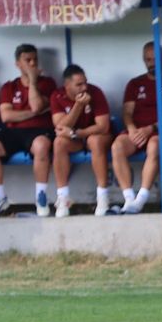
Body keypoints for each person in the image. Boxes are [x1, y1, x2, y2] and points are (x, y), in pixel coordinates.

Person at [0, 43, 57, 218]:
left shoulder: (47, 83)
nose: (32, 64)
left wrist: (32, 81)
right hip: (13, 132)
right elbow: (7, 116)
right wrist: (33, 112)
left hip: (40, 129)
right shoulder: (9, 86)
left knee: (41, 146)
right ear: (18, 64)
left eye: (35, 60)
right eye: (27, 60)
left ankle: (41, 195)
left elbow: (37, 104)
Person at [112, 41, 162, 214]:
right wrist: (131, 129)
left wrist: (150, 128)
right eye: (148, 59)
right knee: (117, 146)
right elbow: (127, 112)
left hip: (159, 132)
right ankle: (129, 198)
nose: (152, 62)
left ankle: (141, 199)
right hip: (136, 132)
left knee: (154, 145)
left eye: (155, 58)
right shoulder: (135, 83)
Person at [49, 65, 114, 216]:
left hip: (94, 136)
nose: (84, 87)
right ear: (67, 86)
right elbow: (60, 127)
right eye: (79, 84)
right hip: (74, 139)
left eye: (85, 82)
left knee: (95, 141)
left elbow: (103, 126)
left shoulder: (95, 92)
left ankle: (103, 197)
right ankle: (63, 198)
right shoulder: (57, 96)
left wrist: (76, 133)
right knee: (59, 143)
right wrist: (78, 106)